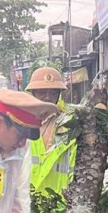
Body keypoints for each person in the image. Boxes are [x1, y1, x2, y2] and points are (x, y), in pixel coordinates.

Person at [25, 67, 77, 195]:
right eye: (42, 92)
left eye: (53, 92)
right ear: (33, 93)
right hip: (29, 204)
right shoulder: (21, 124)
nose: (48, 97)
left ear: (59, 94)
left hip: (60, 205)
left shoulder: (71, 124)